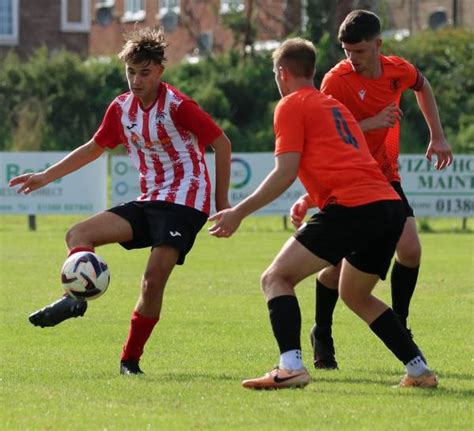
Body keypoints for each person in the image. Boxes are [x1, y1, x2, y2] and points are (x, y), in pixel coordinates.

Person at [209, 37, 438, 389]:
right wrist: (309, 199)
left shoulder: (290, 105)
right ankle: (419, 371)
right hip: (388, 207)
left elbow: (285, 171)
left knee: (275, 278)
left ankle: (291, 366)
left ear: (282, 73)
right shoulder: (336, 107)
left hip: (353, 208)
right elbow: (350, 166)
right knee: (356, 295)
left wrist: (238, 212)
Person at [9, 27, 231, 375]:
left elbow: (221, 143)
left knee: (152, 279)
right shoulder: (121, 109)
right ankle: (75, 300)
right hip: (149, 199)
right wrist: (43, 177)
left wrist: (222, 203)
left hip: (186, 201)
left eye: (144, 73)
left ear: (159, 70)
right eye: (131, 72)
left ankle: (130, 360)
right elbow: (93, 149)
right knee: (78, 235)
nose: (136, 80)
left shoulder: (178, 106)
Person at [290, 10, 452, 370]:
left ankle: (401, 323)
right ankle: (323, 332)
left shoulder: (398, 70)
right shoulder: (335, 81)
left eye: (359, 51)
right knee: (334, 267)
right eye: (347, 51)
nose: (352, 58)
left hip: (385, 177)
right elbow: (325, 136)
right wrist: (371, 122)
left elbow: (422, 86)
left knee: (410, 249)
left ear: (378, 45)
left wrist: (437, 135)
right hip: (350, 180)